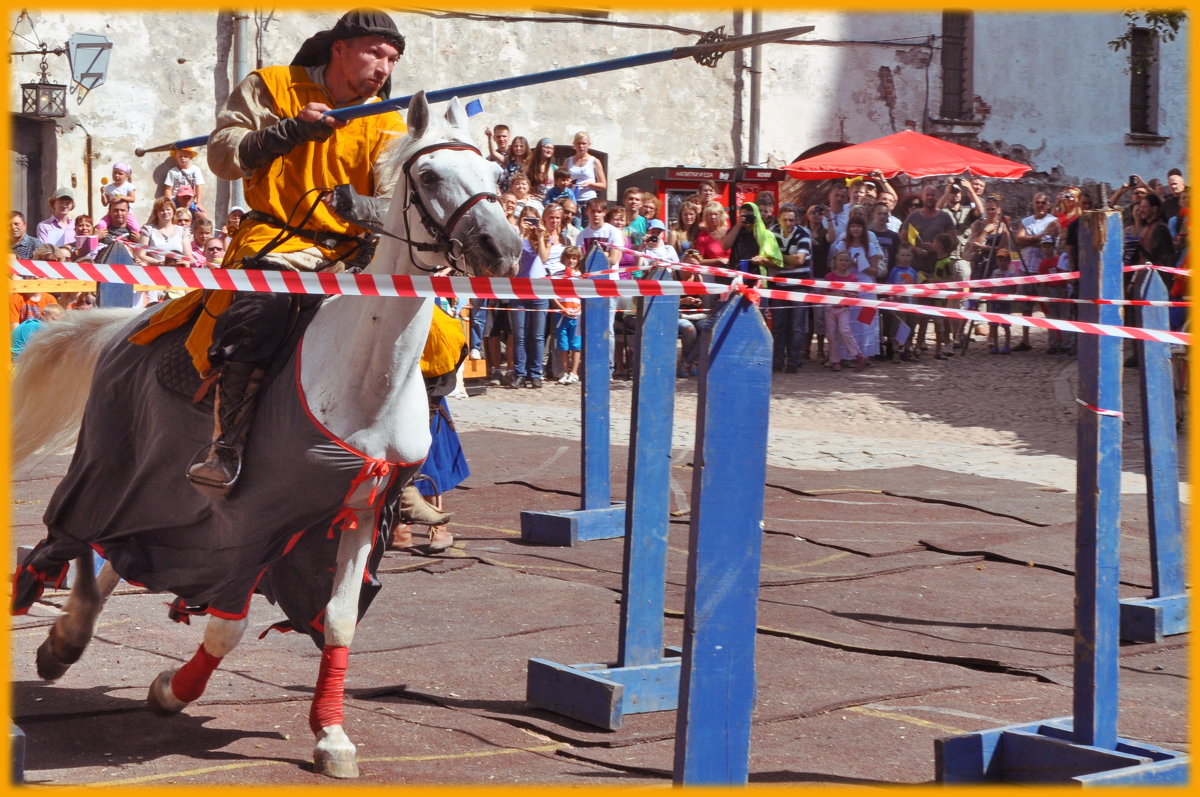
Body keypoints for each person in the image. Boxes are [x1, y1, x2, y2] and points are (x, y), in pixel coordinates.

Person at [134, 9, 414, 501]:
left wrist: (361, 205)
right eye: (375, 52)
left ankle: (403, 468)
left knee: (429, 336)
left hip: (353, 255)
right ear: (340, 48)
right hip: (279, 243)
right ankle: (227, 447)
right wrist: (287, 133)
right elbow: (222, 157)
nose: (384, 67)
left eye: (392, 58)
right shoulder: (272, 85)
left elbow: (390, 202)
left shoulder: (386, 119)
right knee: (261, 314)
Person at [1013, 192, 1061, 352]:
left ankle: (1053, 340)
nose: (1040, 205)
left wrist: (1030, 238)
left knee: (1047, 306)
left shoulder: (1053, 221)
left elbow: (1050, 236)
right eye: (1037, 202)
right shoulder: (1025, 221)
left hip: (1044, 269)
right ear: (1033, 204)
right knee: (1025, 306)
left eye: (1043, 203)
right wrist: (1038, 238)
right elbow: (1019, 239)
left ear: (1047, 205)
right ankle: (1025, 339)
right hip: (1026, 268)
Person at [769, 203, 812, 372]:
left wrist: (779, 261)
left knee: (797, 326)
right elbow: (768, 258)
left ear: (797, 219)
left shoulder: (803, 234)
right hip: (778, 285)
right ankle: (778, 361)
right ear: (779, 218)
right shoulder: (771, 233)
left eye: (792, 220)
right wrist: (788, 261)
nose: (788, 223)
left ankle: (793, 362)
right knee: (779, 325)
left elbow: (800, 260)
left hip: (799, 286)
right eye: (785, 220)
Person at [509, 207, 549, 388]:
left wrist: (539, 236)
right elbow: (512, 256)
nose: (531, 223)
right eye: (527, 219)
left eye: (534, 220)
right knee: (520, 335)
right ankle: (520, 373)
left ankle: (535, 374)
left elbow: (544, 258)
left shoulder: (542, 236)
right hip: (518, 290)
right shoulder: (516, 236)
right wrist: (522, 234)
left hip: (539, 290)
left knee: (538, 335)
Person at [722, 201, 782, 285]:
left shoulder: (766, 235)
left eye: (750, 215)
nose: (747, 218)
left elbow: (777, 264)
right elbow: (725, 246)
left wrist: (762, 260)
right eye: (744, 215)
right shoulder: (735, 231)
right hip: (736, 278)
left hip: (757, 279)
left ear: (756, 216)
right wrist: (738, 225)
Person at [550, 245, 584, 384]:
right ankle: (564, 371)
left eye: (574, 258)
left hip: (577, 314)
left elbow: (584, 296)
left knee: (576, 345)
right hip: (561, 314)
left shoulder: (581, 276)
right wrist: (561, 308)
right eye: (568, 258)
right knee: (563, 345)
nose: (571, 261)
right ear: (563, 259)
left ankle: (574, 372)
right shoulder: (557, 275)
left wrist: (578, 309)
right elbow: (553, 295)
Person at [138, 196, 190, 265]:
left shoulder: (182, 231)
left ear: (173, 211)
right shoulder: (148, 229)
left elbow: (188, 256)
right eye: (161, 210)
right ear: (156, 213)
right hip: (156, 269)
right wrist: (159, 262)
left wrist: (184, 262)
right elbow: (140, 254)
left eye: (168, 209)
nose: (165, 212)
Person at [565, 131, 605, 204]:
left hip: (589, 200)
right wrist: (568, 183)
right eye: (578, 143)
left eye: (584, 143)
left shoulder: (594, 161)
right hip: (572, 200)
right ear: (574, 144)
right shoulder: (568, 161)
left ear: (589, 145)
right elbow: (562, 180)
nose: (581, 146)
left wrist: (590, 184)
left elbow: (603, 185)